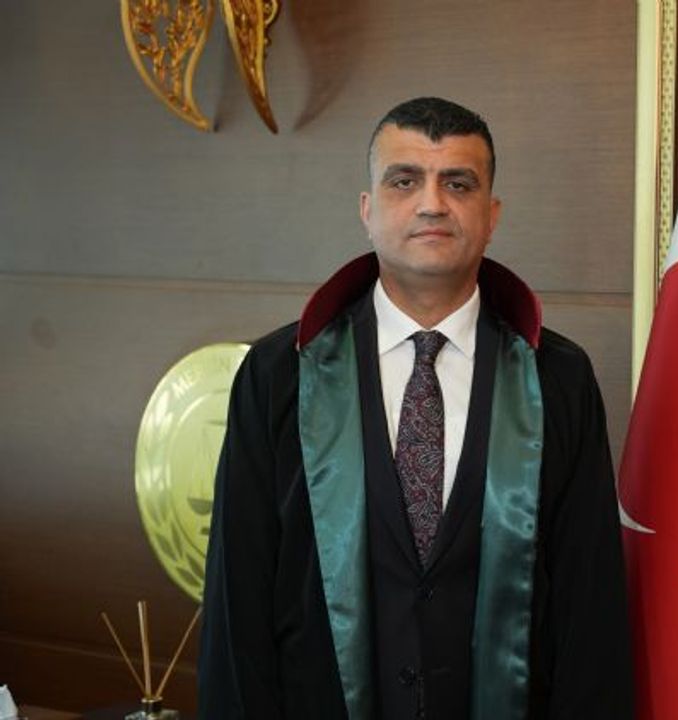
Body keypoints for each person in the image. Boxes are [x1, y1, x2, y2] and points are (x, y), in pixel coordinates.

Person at [198, 97, 634, 719]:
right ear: (367, 210)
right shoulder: (280, 376)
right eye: (404, 181)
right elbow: (236, 606)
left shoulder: (556, 378)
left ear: (491, 215)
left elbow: (589, 612)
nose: (432, 203)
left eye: (458, 183)